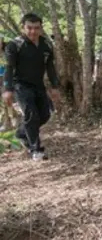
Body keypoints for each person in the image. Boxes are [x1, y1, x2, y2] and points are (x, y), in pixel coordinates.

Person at [2, 13, 61, 161]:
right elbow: (9, 68)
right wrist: (8, 89)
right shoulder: (14, 45)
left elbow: (50, 67)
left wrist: (55, 86)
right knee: (31, 115)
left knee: (45, 115)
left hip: (38, 85)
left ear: (41, 28)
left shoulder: (46, 45)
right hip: (21, 86)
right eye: (29, 28)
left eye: (36, 28)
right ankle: (35, 149)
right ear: (23, 28)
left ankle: (21, 133)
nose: (33, 31)